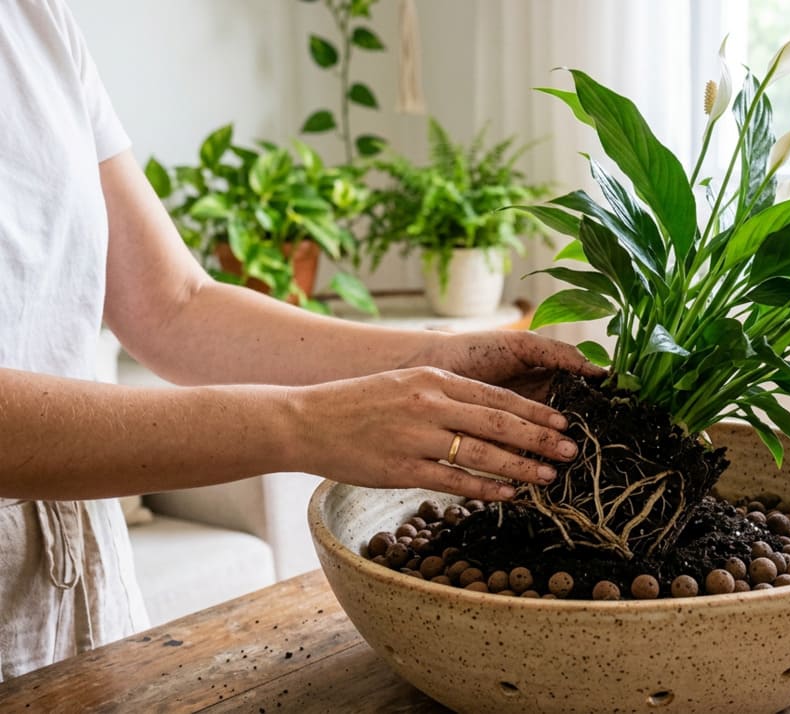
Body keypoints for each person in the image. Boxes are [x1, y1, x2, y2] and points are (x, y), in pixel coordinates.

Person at [0, 0, 599, 680]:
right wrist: (306, 426)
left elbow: (175, 306)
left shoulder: (36, 18)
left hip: (77, 579)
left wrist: (426, 359)